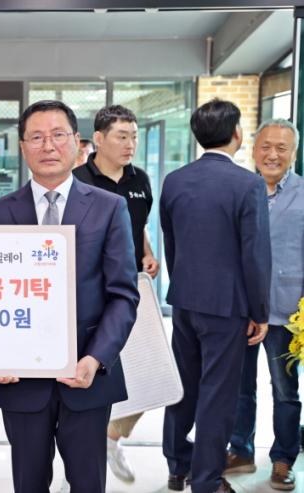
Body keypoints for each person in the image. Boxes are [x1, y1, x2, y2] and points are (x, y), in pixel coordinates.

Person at [0, 100, 140, 493]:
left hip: (87, 375)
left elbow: (123, 295)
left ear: (78, 143)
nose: (48, 146)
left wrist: (95, 358)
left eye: (58, 135)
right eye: (36, 137)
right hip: (20, 380)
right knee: (28, 483)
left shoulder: (109, 208)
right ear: (22, 147)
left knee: (88, 483)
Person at [160, 99, 271, 493]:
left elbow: (171, 244)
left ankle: (177, 466)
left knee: (183, 385)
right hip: (227, 307)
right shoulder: (248, 184)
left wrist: (184, 283)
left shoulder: (174, 180)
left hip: (184, 300)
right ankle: (206, 480)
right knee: (217, 394)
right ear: (236, 134)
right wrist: (260, 311)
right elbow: (255, 255)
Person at [73, 104, 158, 482]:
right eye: (122, 137)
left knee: (149, 374)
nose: (130, 145)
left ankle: (110, 439)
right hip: (88, 293)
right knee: (89, 376)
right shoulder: (77, 180)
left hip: (129, 290)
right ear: (99, 139)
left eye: (134, 137)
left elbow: (138, 225)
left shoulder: (141, 179)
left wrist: (147, 252)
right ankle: (78, 460)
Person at [225, 119, 303, 491]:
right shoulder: (240, 189)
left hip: (287, 310)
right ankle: (240, 450)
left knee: (285, 389)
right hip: (242, 309)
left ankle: (284, 457)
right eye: (266, 146)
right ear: (253, 150)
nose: (272, 154)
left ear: (294, 153)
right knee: (240, 387)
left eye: (281, 148)